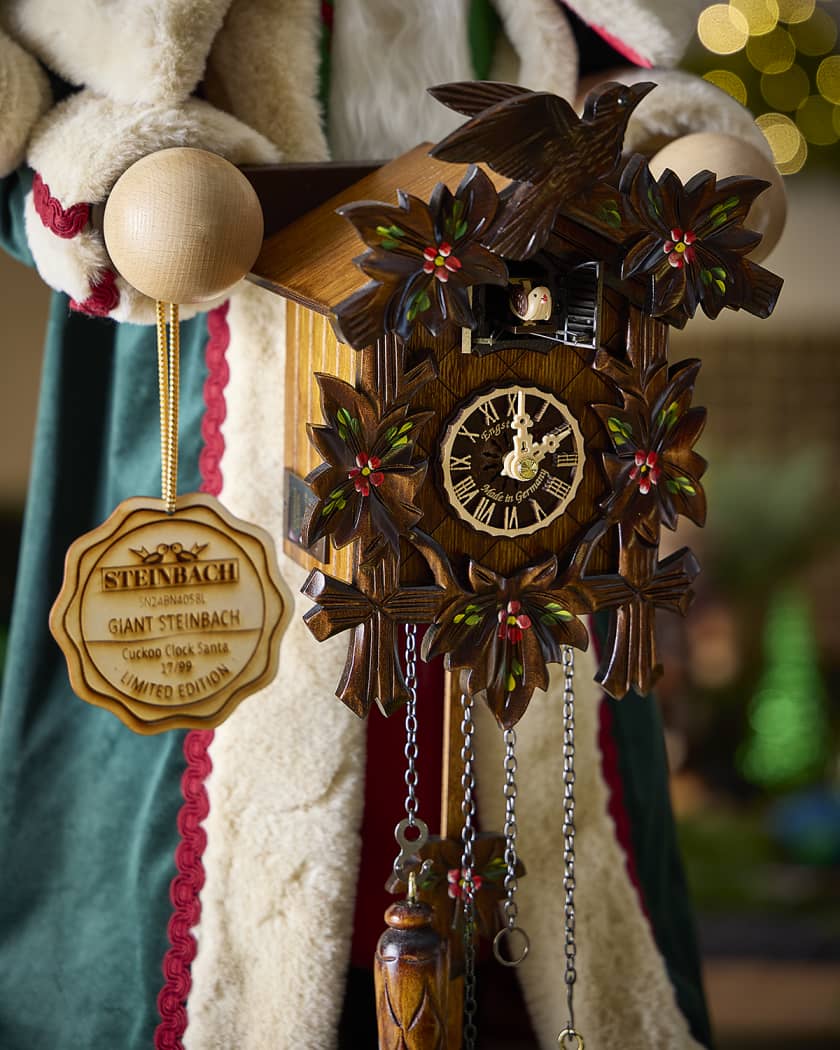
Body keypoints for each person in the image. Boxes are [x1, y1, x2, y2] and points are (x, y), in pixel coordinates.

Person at [0, 2, 783, 1047]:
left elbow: (619, 86)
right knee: (241, 816)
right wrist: (125, 183)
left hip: (529, 423)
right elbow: (42, 117)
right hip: (234, 405)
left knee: (546, 855)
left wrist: (664, 148)